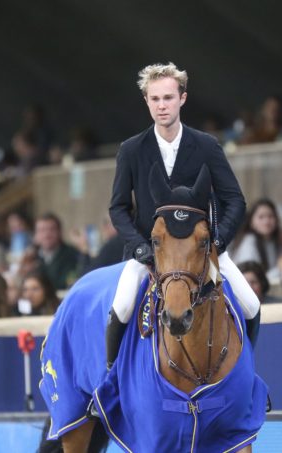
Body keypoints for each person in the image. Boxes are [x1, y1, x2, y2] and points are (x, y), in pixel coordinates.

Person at [107, 62, 258, 370]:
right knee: (121, 307)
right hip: (151, 253)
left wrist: (217, 240)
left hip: (201, 250)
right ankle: (109, 381)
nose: (162, 106)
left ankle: (247, 376)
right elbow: (118, 207)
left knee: (252, 305)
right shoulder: (131, 149)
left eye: (168, 98)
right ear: (147, 101)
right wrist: (139, 246)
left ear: (182, 99)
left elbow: (234, 199)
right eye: (155, 99)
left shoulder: (206, 145)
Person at [229, 198, 281, 282]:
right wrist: (281, 268)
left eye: (270, 216)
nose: (266, 221)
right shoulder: (249, 242)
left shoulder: (271, 241)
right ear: (251, 222)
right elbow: (252, 279)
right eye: (261, 217)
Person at [33, 213, 83, 290]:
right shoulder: (32, 257)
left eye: (51, 229)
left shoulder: (72, 255)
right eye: (42, 230)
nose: (47, 235)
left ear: (60, 232)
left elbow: (64, 284)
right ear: (36, 234)